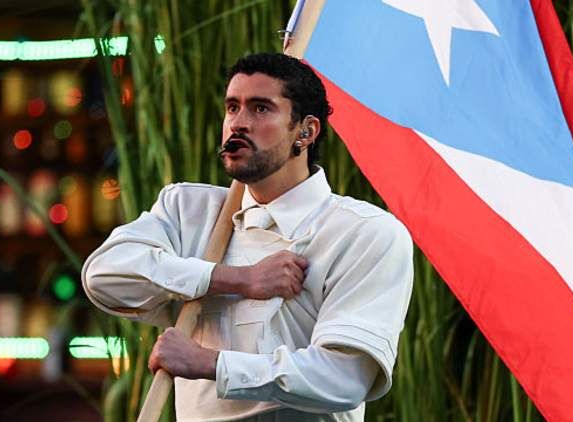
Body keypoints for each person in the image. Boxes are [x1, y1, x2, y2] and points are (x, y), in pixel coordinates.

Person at [81, 53, 414, 421]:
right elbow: (103, 276)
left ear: (305, 131)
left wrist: (212, 364)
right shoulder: (188, 211)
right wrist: (235, 280)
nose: (238, 124)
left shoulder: (363, 232)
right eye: (232, 107)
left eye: (260, 109)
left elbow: (344, 378)